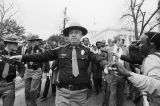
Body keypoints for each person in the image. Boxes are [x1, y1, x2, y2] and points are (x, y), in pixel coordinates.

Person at [10, 22, 108, 106]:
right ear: (68, 36)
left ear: (81, 35)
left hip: (80, 94)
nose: (73, 35)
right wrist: (23, 57)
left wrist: (105, 65)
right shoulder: (60, 50)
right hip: (62, 93)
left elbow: (98, 58)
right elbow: (42, 55)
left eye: (76, 33)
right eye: (71, 33)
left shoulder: (87, 50)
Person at [113, 32, 160, 106]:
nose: (138, 46)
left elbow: (156, 86)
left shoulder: (151, 59)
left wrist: (128, 74)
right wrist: (142, 68)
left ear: (151, 44)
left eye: (141, 43)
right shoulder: (154, 57)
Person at [0, 35, 25, 106]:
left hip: (9, 85)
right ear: (8, 44)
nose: (17, 45)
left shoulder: (16, 56)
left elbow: (22, 68)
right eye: (15, 43)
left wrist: (20, 76)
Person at [23, 35, 44, 106]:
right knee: (27, 90)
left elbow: (45, 60)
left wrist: (45, 69)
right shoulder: (27, 50)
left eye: (38, 40)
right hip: (28, 71)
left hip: (37, 71)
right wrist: (25, 64)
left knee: (32, 90)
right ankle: (28, 104)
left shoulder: (41, 50)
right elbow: (25, 59)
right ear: (32, 42)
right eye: (36, 40)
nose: (38, 42)